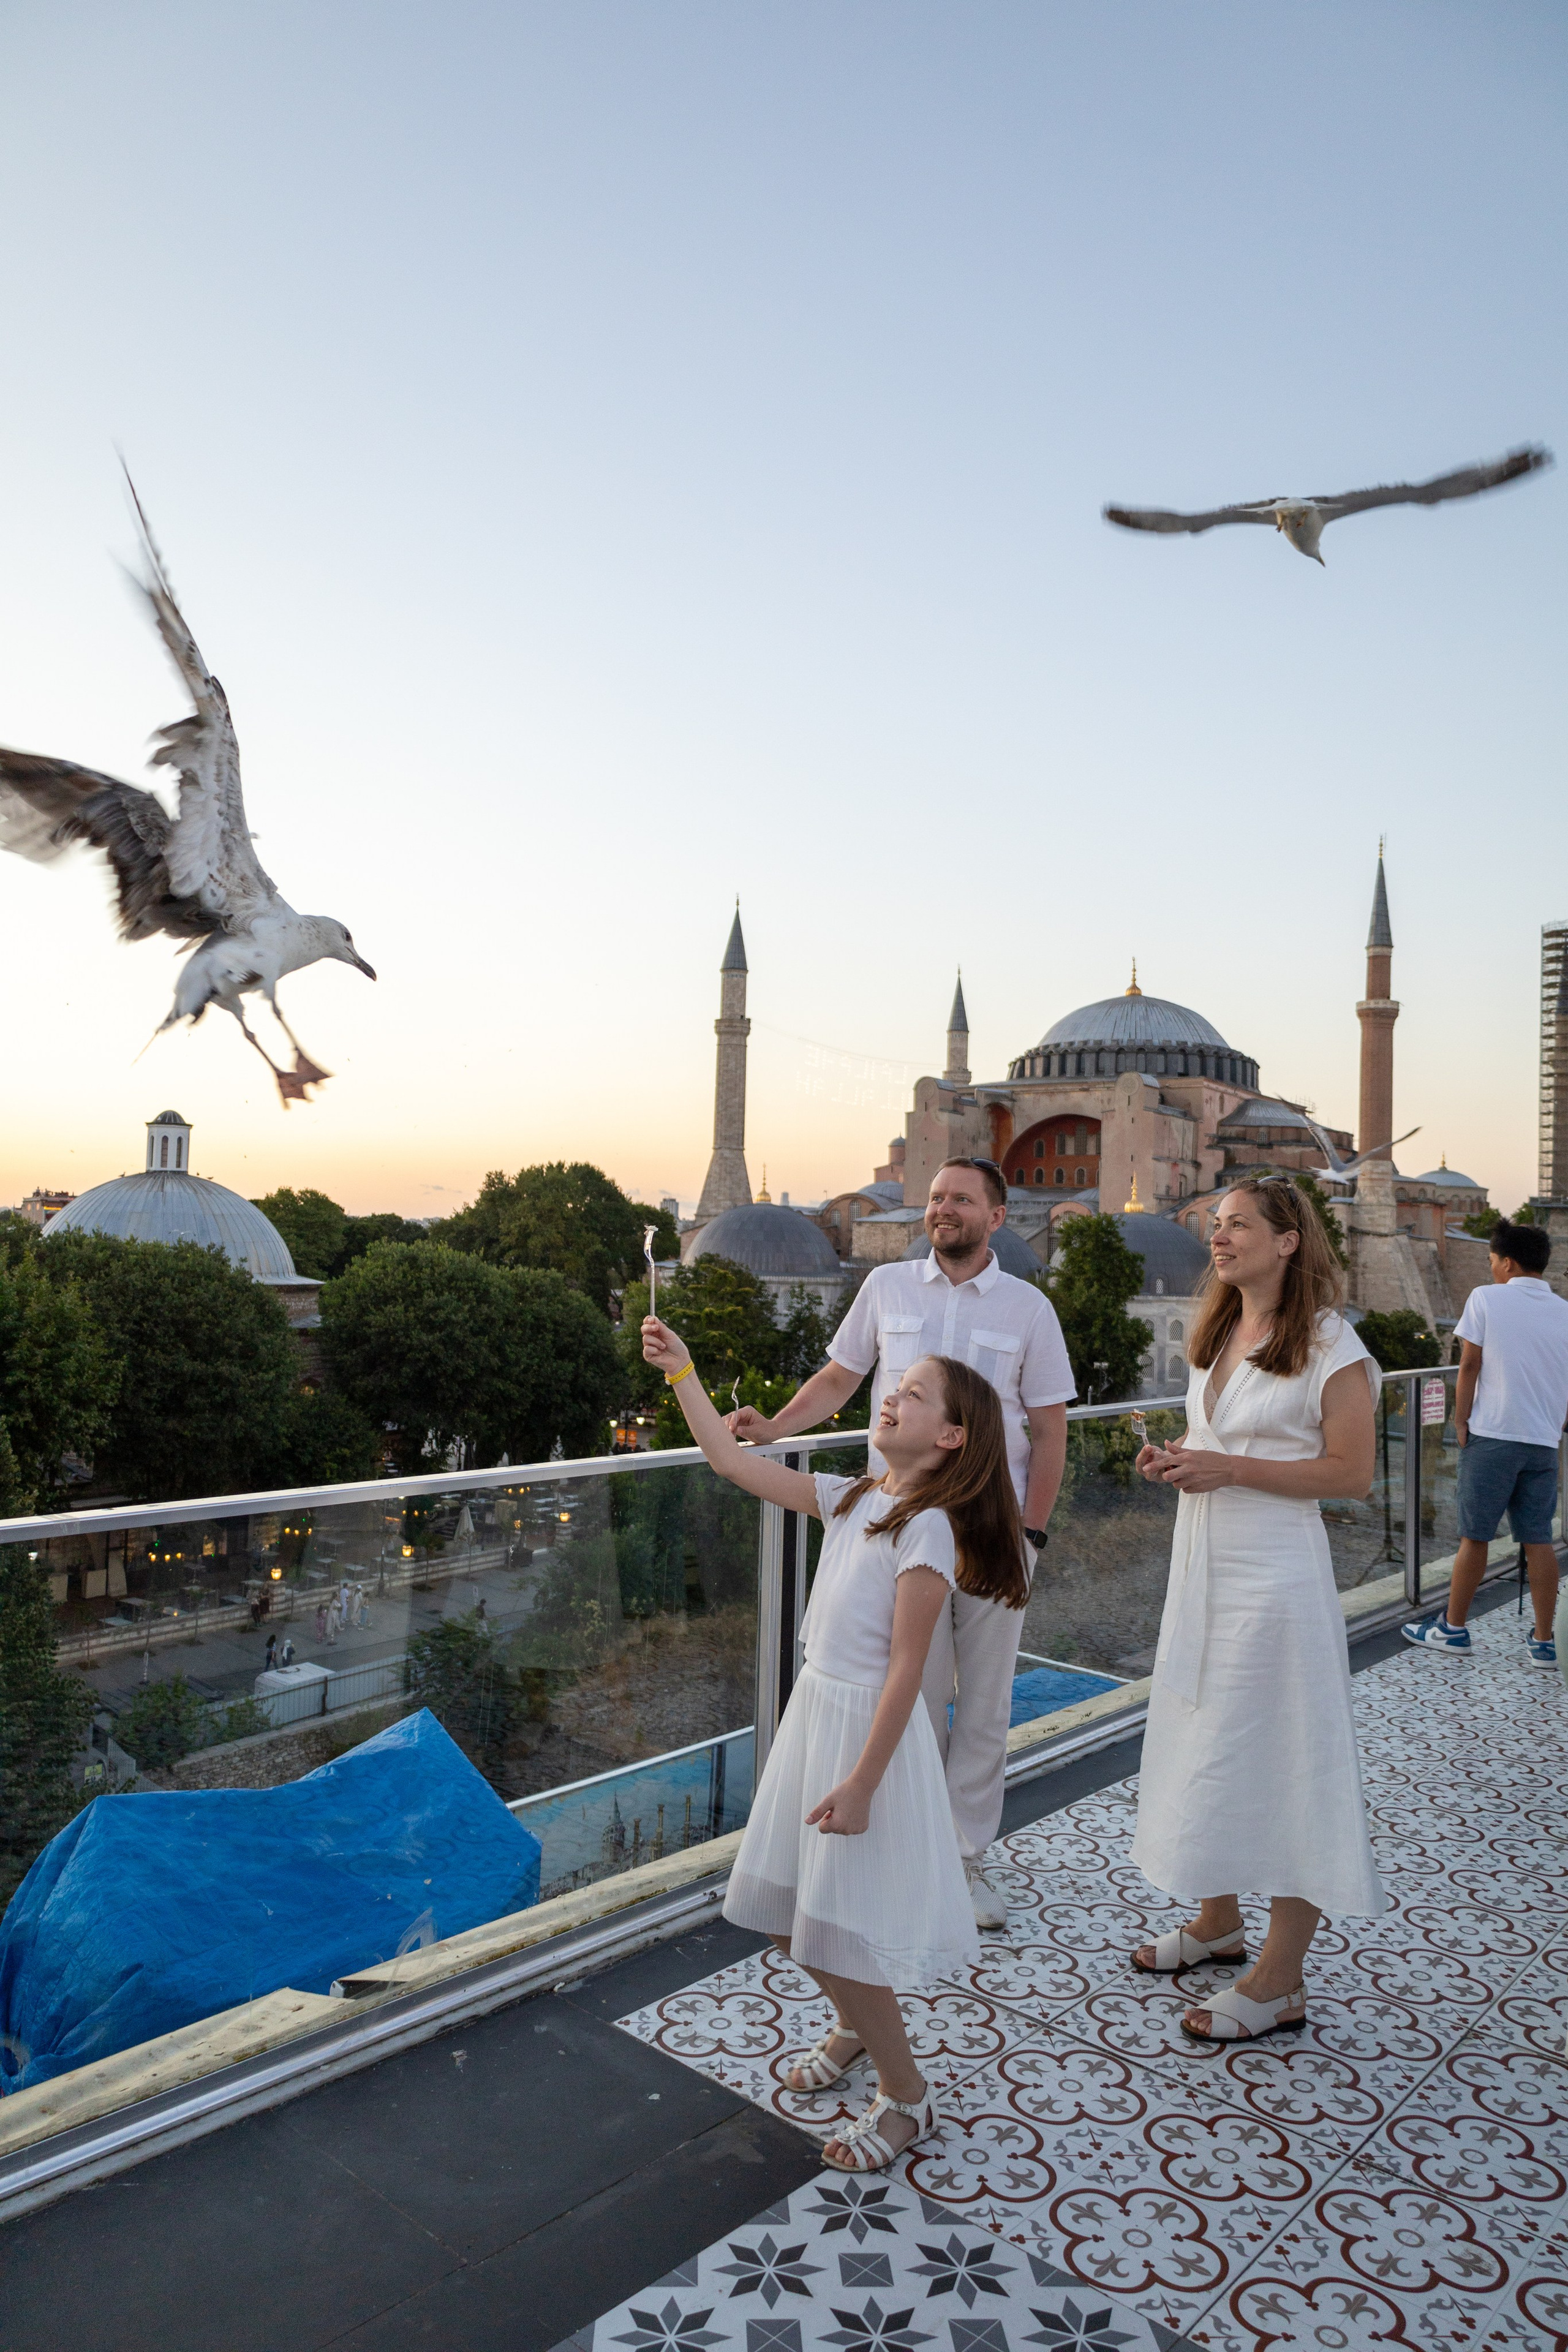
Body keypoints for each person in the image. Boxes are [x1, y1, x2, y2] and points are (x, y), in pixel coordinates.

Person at [645, 1308, 1027, 2171]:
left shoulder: (926, 1529)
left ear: (952, 1436)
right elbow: (729, 1459)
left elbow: (908, 1672)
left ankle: (908, 2098)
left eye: (914, 1395)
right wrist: (684, 1374)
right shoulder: (857, 1497)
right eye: (894, 1388)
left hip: (864, 1742)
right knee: (784, 1916)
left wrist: (861, 1783)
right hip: (816, 1715)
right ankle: (856, 2026)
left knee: (834, 1928)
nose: (891, 1400)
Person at [729, 1156, 1073, 1927]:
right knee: (908, 1690)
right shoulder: (884, 1287)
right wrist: (774, 1429)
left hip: (990, 1531)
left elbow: (1048, 1430)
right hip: (899, 1521)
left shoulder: (1027, 1309)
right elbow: (838, 1378)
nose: (942, 1209)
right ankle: (892, 1842)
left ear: (996, 1215)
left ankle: (962, 1860)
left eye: (961, 1199)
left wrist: (1033, 1534)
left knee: (982, 1702)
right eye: (935, 1198)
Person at [1129, 1177, 1382, 2045]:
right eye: (1214, 1225)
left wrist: (1229, 1470)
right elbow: (1219, 1446)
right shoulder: (1219, 1334)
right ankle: (1217, 1922)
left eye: (1237, 1225)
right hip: (1205, 1567)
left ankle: (1281, 1977)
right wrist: (1180, 1461)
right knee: (1208, 1737)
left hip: (1275, 1581)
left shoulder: (1330, 1345)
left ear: (1288, 1241)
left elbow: (1350, 1473)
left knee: (1283, 1757)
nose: (1219, 1238)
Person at [1404, 1219, 1568, 1667]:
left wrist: (1461, 1419)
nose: (1491, 1267)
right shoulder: (1564, 1311)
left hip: (1494, 1434)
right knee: (1539, 1540)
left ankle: (1452, 1629)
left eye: (1493, 1260)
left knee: (1474, 1537)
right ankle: (1544, 1641)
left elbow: (1470, 1363)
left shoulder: (1486, 1298)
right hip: (1542, 1441)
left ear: (1508, 1263)